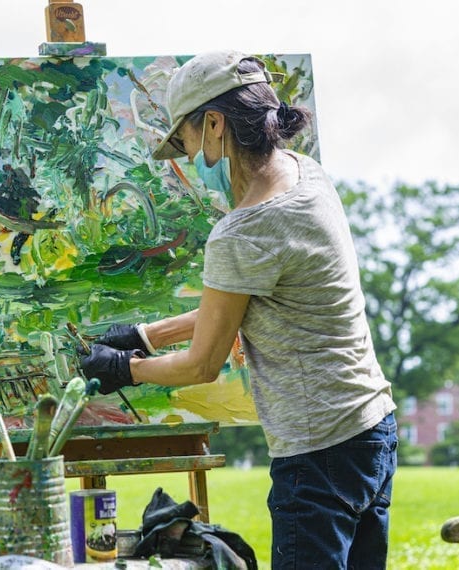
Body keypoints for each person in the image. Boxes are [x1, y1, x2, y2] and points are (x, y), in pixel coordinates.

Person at [81, 50, 398, 569]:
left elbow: (201, 365)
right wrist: (146, 335)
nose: (187, 159)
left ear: (213, 122)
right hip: (370, 429)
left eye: (184, 141)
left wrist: (126, 370)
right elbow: (247, 301)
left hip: (317, 450)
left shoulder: (246, 228)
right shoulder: (305, 174)